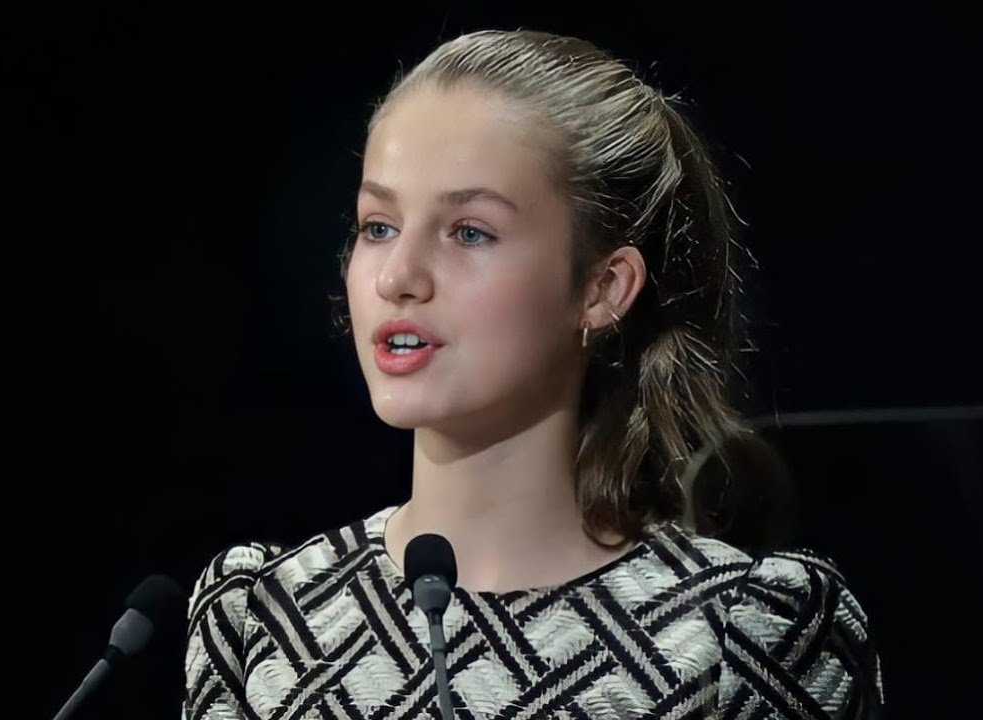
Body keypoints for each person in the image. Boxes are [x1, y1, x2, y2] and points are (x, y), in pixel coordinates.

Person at [183, 29, 883, 719]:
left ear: (603, 288)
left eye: (470, 232)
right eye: (378, 226)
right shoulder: (265, 618)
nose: (397, 277)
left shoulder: (742, 633)